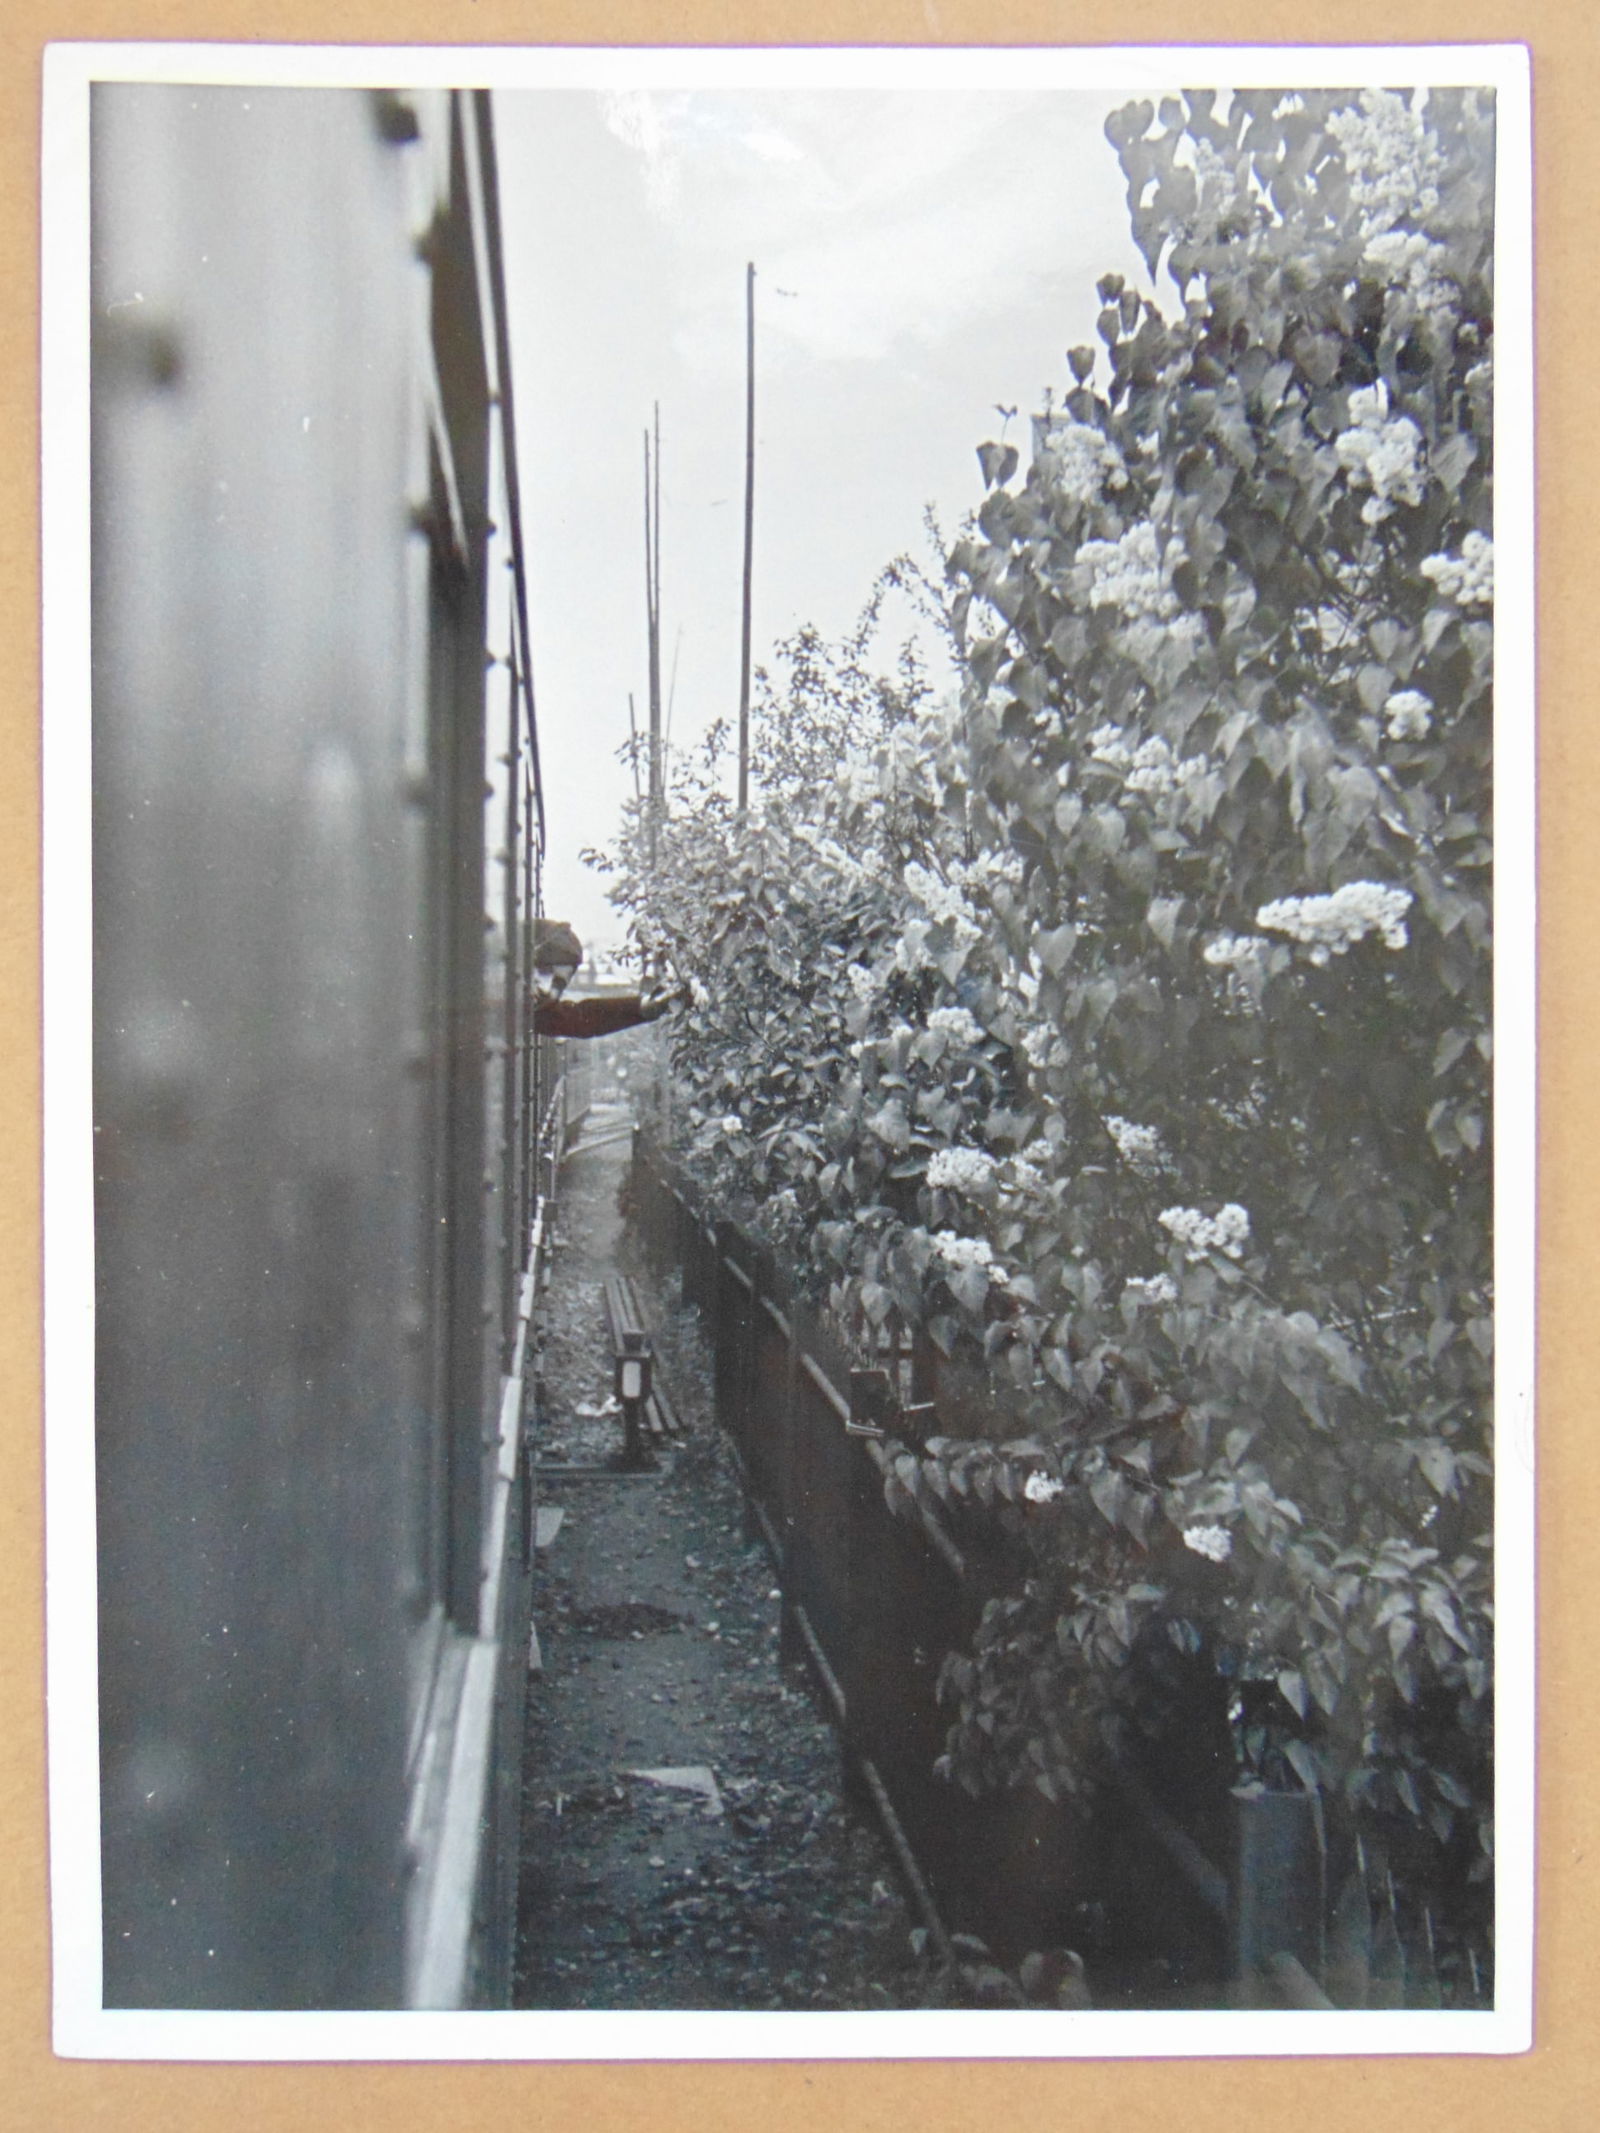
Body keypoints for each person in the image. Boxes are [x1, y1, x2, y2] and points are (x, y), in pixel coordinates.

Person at [530, 918, 688, 1039]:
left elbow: (583, 1019)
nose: (546, 988)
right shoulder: (513, 1006)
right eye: (545, 972)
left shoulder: (530, 1012)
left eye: (558, 984)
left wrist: (642, 1007)